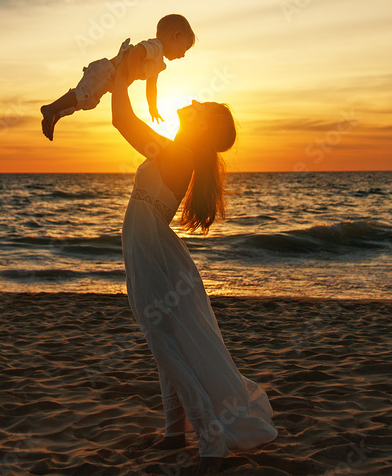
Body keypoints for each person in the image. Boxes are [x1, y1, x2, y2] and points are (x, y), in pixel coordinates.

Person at [110, 55, 277, 474]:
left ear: (201, 125)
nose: (195, 101)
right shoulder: (179, 151)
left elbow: (121, 123)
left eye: (201, 106)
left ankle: (212, 444)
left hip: (153, 255)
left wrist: (118, 77)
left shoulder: (176, 153)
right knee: (166, 342)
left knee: (166, 345)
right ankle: (173, 433)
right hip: (151, 251)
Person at [41, 14, 196, 141]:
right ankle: (50, 109)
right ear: (176, 35)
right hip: (105, 71)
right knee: (83, 96)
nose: (183, 55)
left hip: (108, 79)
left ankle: (56, 115)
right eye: (185, 48)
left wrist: (152, 107)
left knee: (86, 102)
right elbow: (135, 52)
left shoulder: (158, 63)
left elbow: (152, 86)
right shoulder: (156, 47)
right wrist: (131, 74)